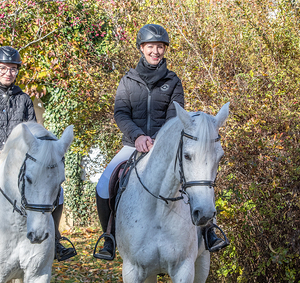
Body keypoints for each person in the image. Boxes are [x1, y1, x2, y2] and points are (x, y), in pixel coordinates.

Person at [95, 24, 226, 260]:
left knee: (196, 176)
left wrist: (157, 139)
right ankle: (109, 238)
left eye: (160, 47)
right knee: (104, 185)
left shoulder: (173, 81)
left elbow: (175, 115)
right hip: (132, 144)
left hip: (165, 146)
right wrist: (138, 137)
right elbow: (121, 113)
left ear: (164, 50)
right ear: (142, 48)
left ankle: (208, 233)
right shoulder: (127, 80)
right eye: (151, 46)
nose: (155, 51)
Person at [0, 46, 76, 261]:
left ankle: (56, 238)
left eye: (13, 69)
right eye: (3, 68)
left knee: (56, 192)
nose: (9, 72)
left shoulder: (24, 99)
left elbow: (32, 130)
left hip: (17, 160)